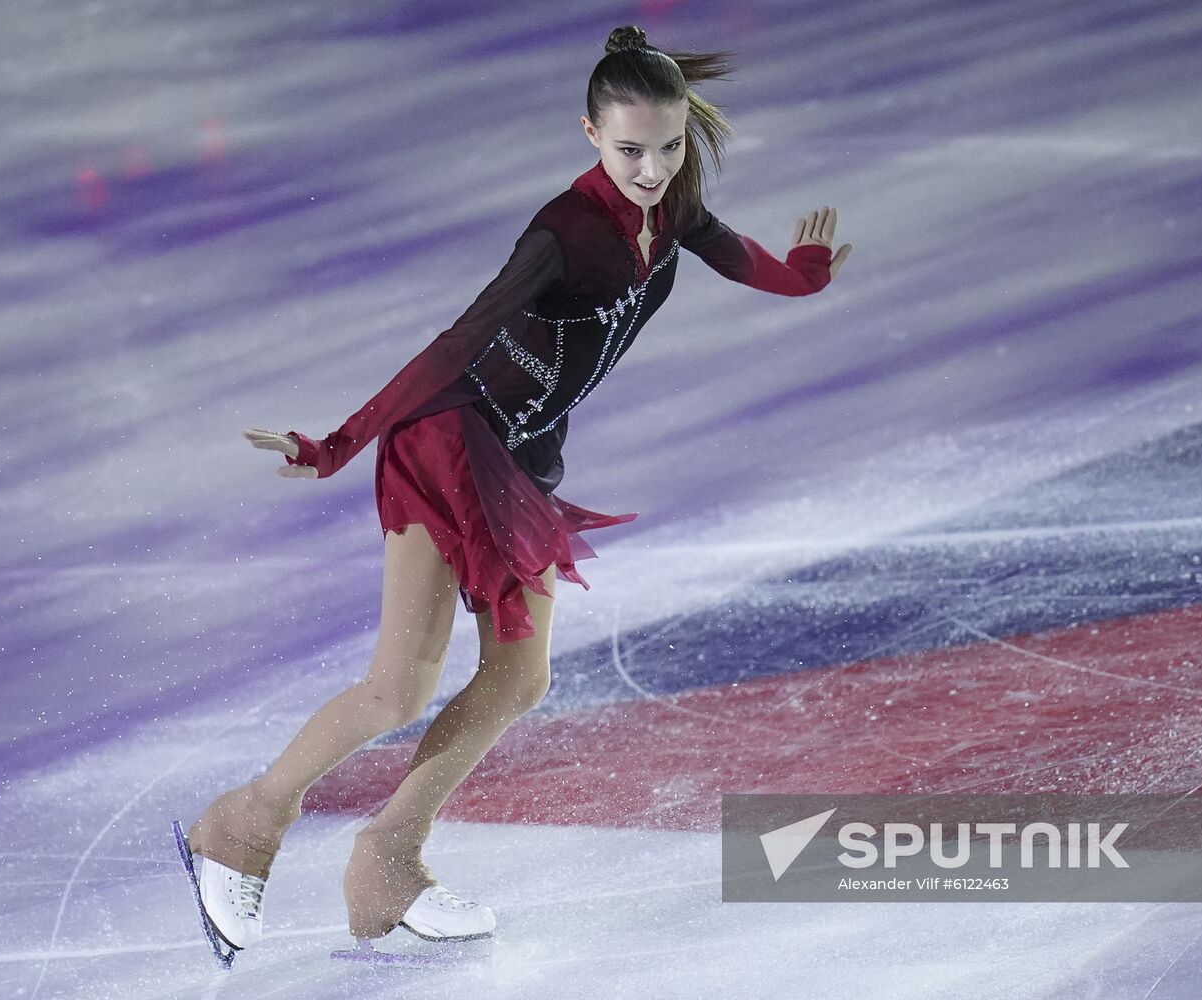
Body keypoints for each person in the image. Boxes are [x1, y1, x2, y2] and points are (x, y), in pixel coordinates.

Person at [177, 22, 853, 960]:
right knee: (396, 689)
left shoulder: (674, 209)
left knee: (518, 678)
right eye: (629, 150)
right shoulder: (562, 231)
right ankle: (245, 822)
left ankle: (388, 856)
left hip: (523, 453)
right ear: (590, 134)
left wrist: (804, 276)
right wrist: (336, 446)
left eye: (667, 147)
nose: (652, 169)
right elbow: (457, 342)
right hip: (447, 442)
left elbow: (749, 262)